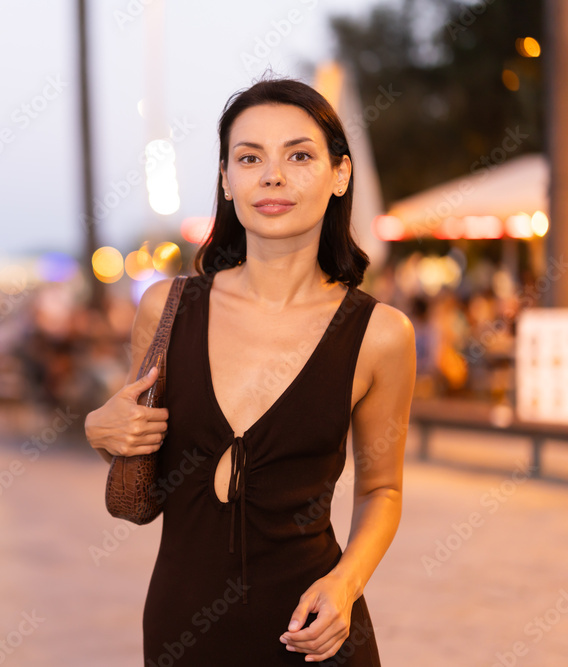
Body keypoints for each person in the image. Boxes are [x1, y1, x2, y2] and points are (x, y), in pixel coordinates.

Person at [84, 79, 416, 665]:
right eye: (249, 157)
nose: (273, 176)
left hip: (315, 633)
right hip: (182, 628)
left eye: (299, 155)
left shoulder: (380, 335)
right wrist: (101, 431)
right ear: (225, 178)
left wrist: (346, 585)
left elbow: (381, 489)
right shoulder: (167, 309)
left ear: (339, 174)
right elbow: (137, 461)